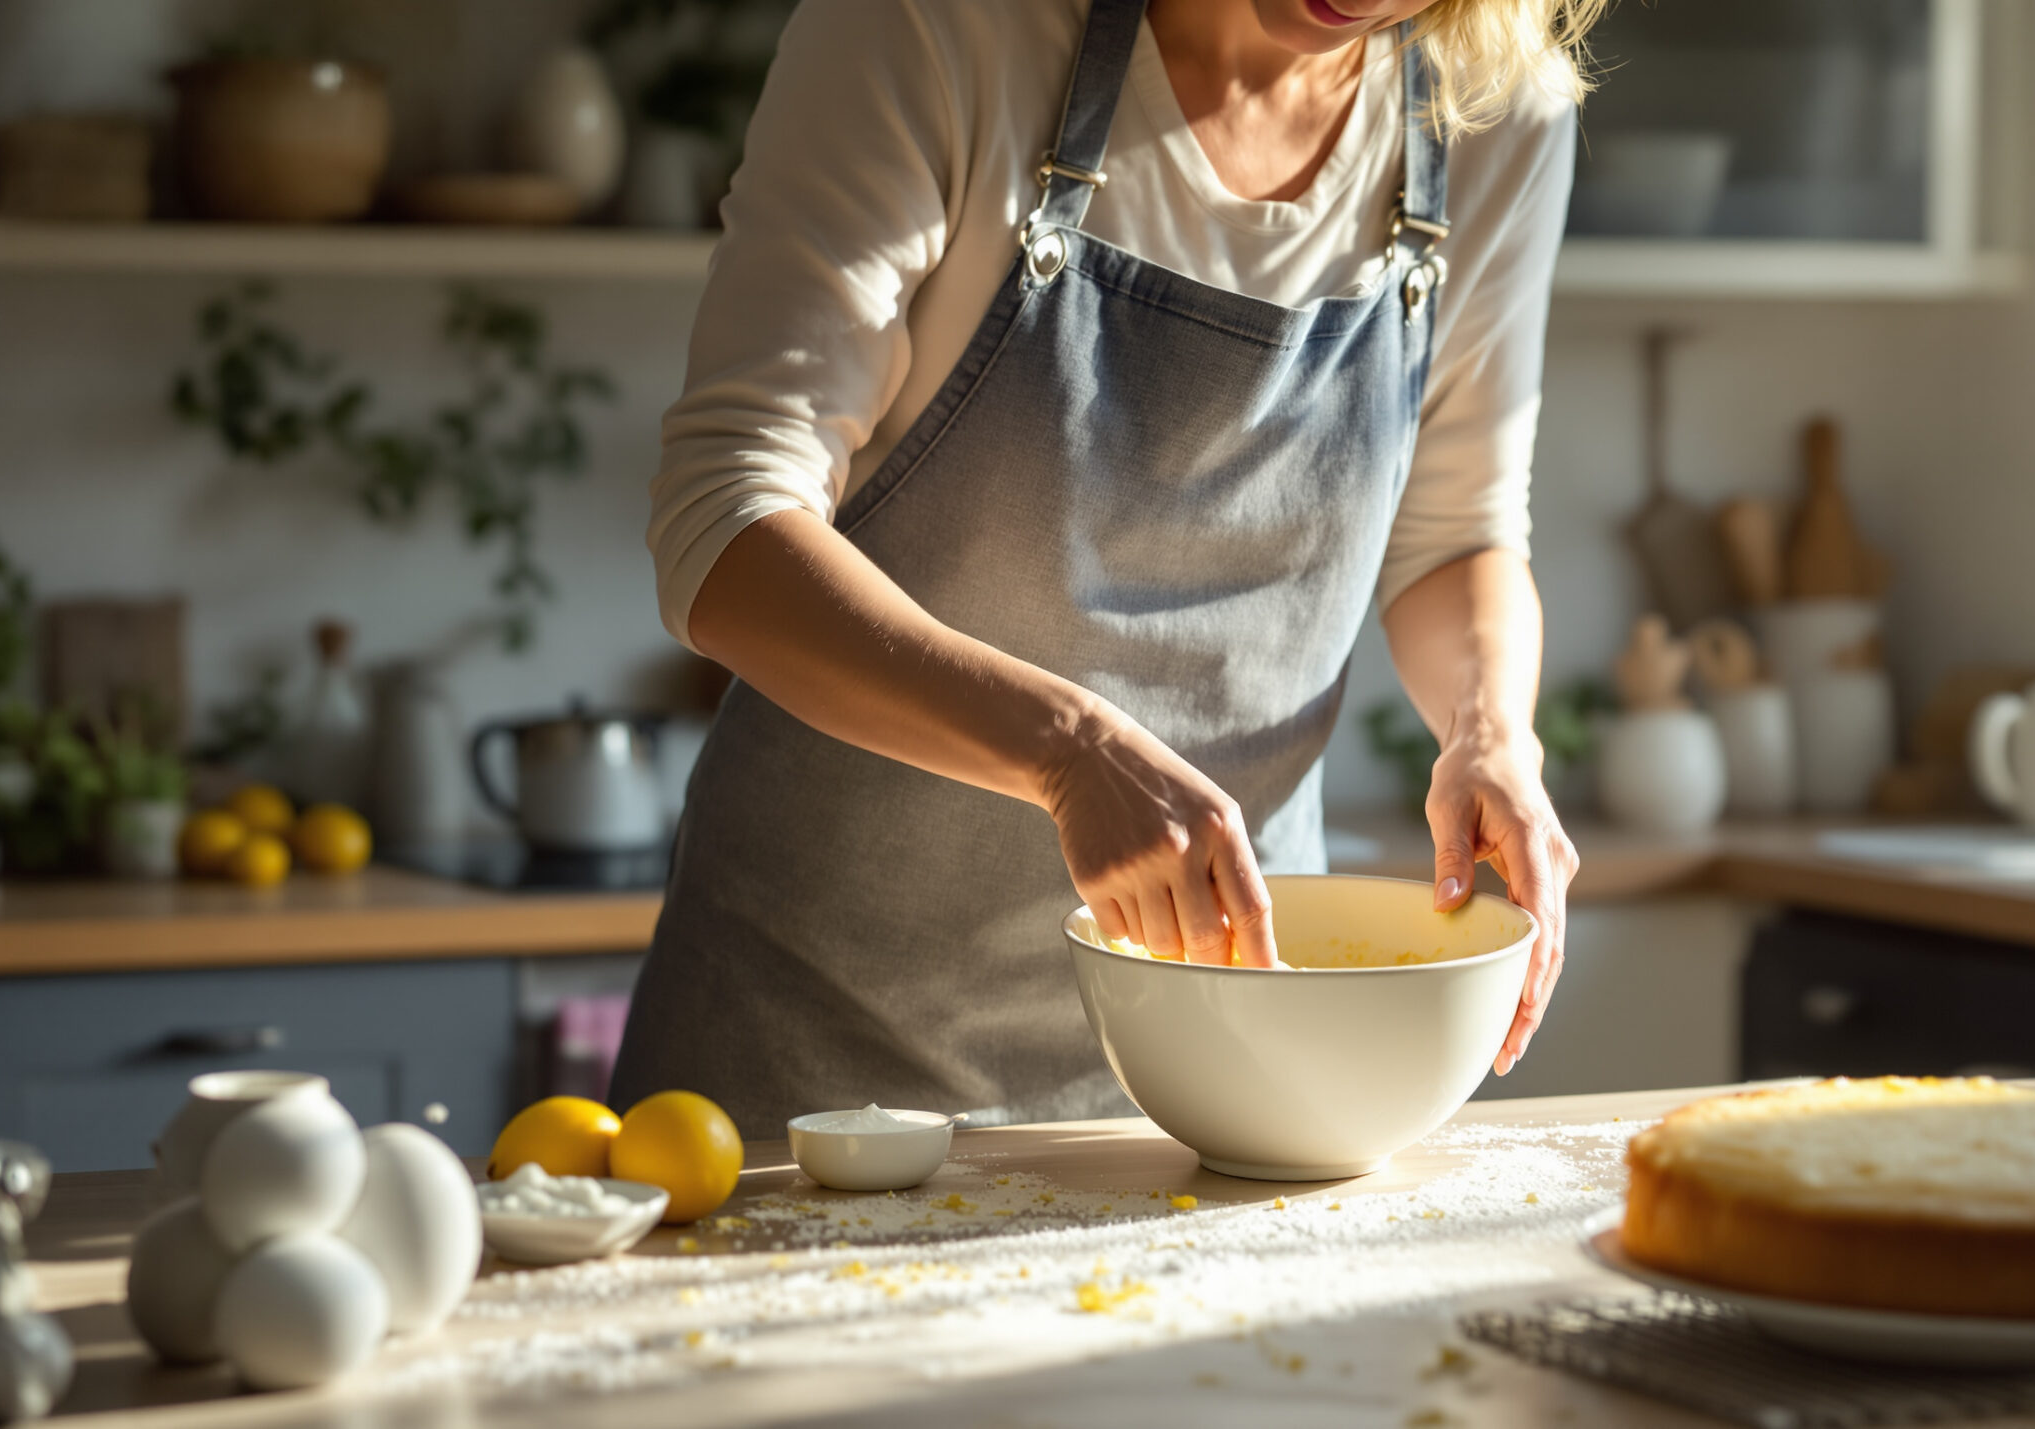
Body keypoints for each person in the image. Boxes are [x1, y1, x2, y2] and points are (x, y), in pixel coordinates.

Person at [615, 0, 1596, 1136]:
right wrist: (1068, 752)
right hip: (819, 1063)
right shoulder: (938, 29)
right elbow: (726, 519)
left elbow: (1457, 530)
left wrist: (1490, 732)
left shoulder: (1488, 106)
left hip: (1229, 1068)